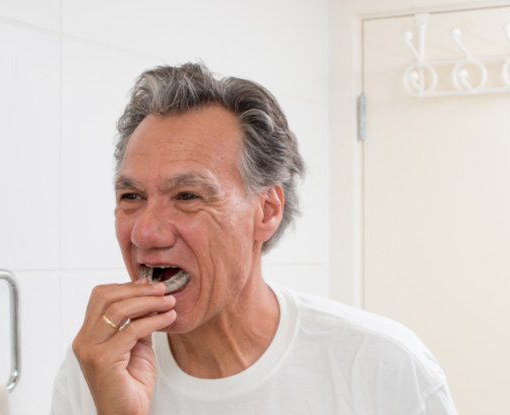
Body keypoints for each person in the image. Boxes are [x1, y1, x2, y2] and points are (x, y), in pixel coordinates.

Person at [51, 62, 457, 415]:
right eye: (131, 197)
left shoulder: (384, 366)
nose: (144, 231)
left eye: (188, 196)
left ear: (267, 211)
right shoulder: (95, 367)